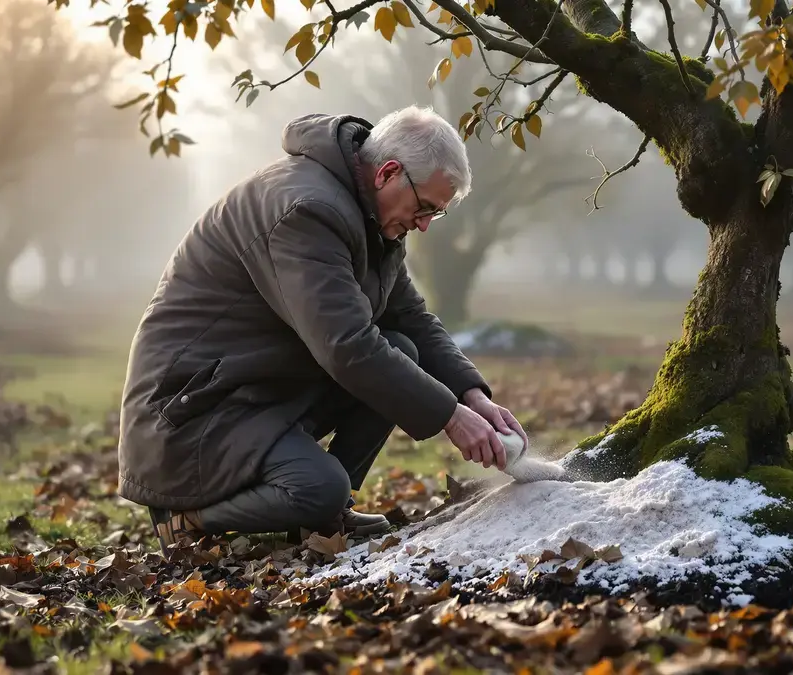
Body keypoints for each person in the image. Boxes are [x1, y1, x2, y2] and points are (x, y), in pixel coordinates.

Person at [116, 106, 529, 557]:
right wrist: (450, 416)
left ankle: (324, 518)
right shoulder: (309, 210)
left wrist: (473, 395)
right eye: (424, 208)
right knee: (320, 488)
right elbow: (347, 346)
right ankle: (188, 521)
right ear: (388, 172)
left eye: (436, 213)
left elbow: (410, 317)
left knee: (401, 348)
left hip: (251, 392)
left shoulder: (370, 216)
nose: (425, 224)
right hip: (190, 413)